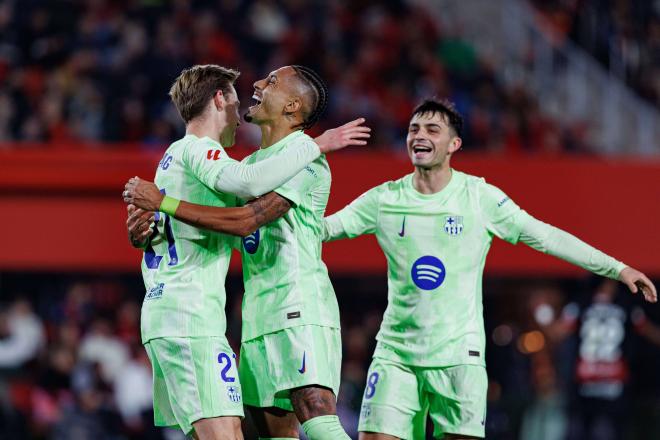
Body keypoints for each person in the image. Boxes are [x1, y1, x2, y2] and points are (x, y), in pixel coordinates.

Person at [124, 64, 369, 439]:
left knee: (314, 411)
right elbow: (214, 210)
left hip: (298, 304)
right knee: (268, 432)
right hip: (254, 317)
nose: (256, 84)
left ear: (291, 105)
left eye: (270, 81)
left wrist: (163, 205)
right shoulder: (246, 166)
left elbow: (245, 220)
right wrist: (149, 226)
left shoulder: (305, 159)